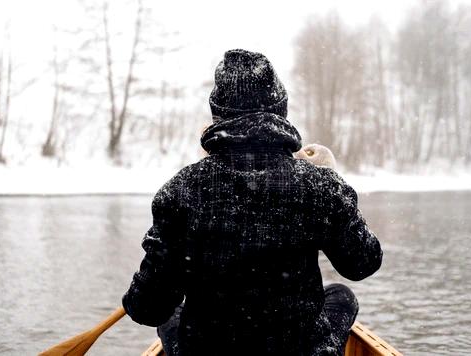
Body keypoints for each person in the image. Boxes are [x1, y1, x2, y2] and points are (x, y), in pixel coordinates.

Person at [122, 49, 383, 356]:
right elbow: (363, 262)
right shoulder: (319, 186)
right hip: (298, 351)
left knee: (170, 317)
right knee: (342, 296)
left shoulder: (180, 191)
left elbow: (147, 308)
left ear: (217, 114)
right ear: (280, 110)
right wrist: (333, 182)